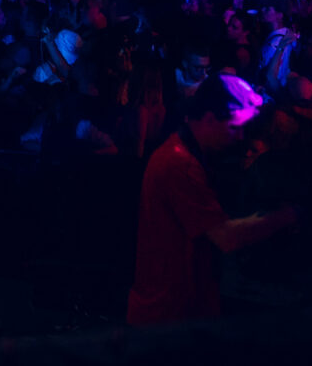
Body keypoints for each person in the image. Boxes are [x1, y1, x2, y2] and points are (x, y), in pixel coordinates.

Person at [126, 75, 300, 326]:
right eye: (234, 127)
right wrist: (289, 216)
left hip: (176, 311)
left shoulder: (184, 153)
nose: (240, 136)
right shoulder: (179, 165)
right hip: (167, 318)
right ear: (209, 119)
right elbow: (226, 237)